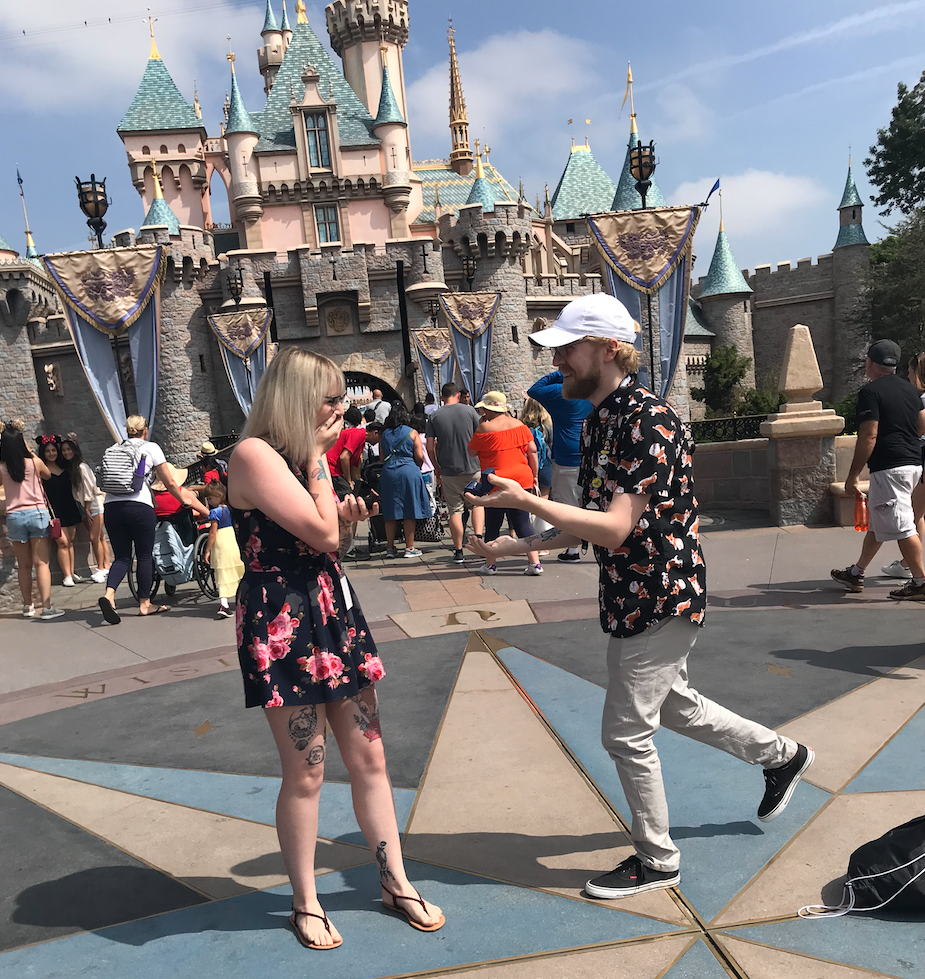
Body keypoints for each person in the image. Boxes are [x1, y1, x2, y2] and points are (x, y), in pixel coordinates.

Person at [467, 292, 813, 899]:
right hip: (631, 592)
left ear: (606, 348)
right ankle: (781, 755)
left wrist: (524, 504)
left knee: (626, 732)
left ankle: (658, 861)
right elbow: (590, 518)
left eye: (568, 350)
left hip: (661, 591)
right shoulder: (602, 418)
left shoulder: (648, 420)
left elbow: (617, 527)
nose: (559, 364)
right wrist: (513, 548)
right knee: (675, 705)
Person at [226, 347, 443, 948]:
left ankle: (394, 880)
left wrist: (342, 521)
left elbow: (327, 544)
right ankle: (305, 901)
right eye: (331, 398)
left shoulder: (300, 459)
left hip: (329, 609)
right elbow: (318, 532)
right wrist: (323, 471)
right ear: (296, 399)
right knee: (308, 771)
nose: (343, 409)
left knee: (370, 757)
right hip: (281, 621)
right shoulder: (254, 455)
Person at [832, 339, 925, 600]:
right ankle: (856, 572)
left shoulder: (870, 393)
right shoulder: (911, 391)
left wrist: (852, 476)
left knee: (903, 526)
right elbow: (921, 424)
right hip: (912, 464)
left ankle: (920, 582)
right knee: (880, 520)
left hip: (890, 467)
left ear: (870, 362)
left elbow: (868, 436)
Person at [99, 415, 209, 624]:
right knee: (144, 555)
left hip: (111, 507)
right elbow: (168, 482)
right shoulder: (151, 448)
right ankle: (145, 604)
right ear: (145, 430)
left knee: (122, 557)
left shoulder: (115, 448)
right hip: (139, 506)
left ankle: (109, 595)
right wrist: (183, 500)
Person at [467, 391, 543, 576]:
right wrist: (535, 475)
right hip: (521, 477)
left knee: (493, 523)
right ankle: (535, 563)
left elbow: (471, 452)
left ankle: (491, 564)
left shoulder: (484, 428)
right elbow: (532, 451)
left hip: (495, 480)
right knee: (522, 522)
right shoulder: (520, 425)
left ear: (487, 409)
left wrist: (480, 426)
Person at [528, 365, 594, 562]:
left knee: (568, 506)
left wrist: (560, 373)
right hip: (588, 452)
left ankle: (573, 550)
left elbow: (534, 390)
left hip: (567, 457)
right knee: (588, 501)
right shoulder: (589, 390)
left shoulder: (562, 392)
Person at [0, 420, 63, 619]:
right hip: (37, 513)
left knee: (24, 564)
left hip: (15, 516)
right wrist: (31, 452)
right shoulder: (33, 462)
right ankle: (46, 607)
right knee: (41, 563)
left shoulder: (2, 467)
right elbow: (47, 475)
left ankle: (28, 606)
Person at [425, 382, 485, 564]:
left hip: (449, 470)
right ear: (458, 395)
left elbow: (429, 447)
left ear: (442, 398)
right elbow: (481, 436)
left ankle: (458, 551)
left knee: (455, 510)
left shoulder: (434, 416)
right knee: (476, 504)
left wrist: (436, 466)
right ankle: (479, 542)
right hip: (473, 466)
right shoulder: (470, 412)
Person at [881, 352, 925, 579]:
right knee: (918, 514)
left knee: (913, 515)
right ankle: (907, 563)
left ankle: (912, 568)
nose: (907, 375)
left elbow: (918, 430)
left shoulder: (923, 400)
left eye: (909, 371)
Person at [380, 404, 432, 558]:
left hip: (389, 472)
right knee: (410, 508)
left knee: (390, 510)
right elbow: (420, 456)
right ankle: (409, 548)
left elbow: (382, 458)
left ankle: (390, 547)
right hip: (409, 470)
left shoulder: (384, 434)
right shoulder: (412, 432)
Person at [59, 437, 110, 583]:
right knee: (100, 537)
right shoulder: (73, 467)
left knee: (94, 538)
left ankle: (100, 569)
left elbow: (89, 489)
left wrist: (87, 509)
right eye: (64, 450)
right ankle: (106, 566)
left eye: (69, 449)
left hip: (93, 505)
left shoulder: (81, 467)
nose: (66, 452)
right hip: (88, 506)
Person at [36, 436, 85, 586]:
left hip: (70, 507)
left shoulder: (65, 467)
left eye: (53, 450)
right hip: (54, 511)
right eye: (48, 451)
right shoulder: (42, 470)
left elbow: (76, 457)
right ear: (43, 453)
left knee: (70, 541)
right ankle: (66, 576)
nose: (51, 453)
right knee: (62, 543)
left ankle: (71, 572)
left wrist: (74, 441)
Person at [203, 481, 244, 619]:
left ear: (219, 495)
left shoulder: (214, 513)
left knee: (222, 573)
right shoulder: (228, 509)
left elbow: (213, 533)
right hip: (231, 539)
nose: (208, 501)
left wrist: (207, 550)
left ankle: (224, 604)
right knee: (235, 569)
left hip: (221, 542)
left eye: (210, 498)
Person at [325, 406, 366, 500]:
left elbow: (354, 472)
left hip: (334, 469)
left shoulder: (355, 436)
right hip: (333, 468)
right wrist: (349, 481)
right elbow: (344, 457)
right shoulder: (359, 433)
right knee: (348, 496)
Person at [520, 398, 553, 498]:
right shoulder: (547, 426)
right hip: (544, 465)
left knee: (527, 498)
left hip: (526, 465)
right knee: (544, 497)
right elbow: (552, 446)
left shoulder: (520, 426)